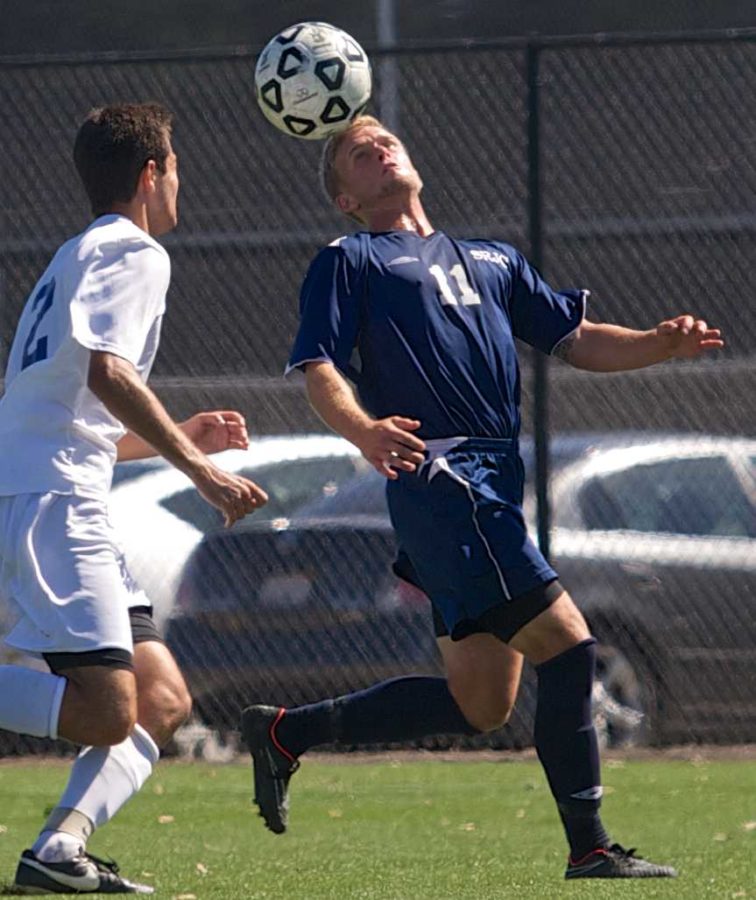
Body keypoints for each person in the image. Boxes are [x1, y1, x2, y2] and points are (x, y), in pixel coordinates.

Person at [240, 114, 726, 880]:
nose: (375, 145)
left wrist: (656, 344)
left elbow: (577, 338)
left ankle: (285, 734)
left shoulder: (492, 257)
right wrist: (363, 430)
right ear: (345, 199)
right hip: (443, 478)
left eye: (383, 136)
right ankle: (591, 847)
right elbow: (319, 370)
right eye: (353, 153)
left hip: (490, 480)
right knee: (571, 646)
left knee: (482, 706)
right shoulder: (350, 259)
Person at [0, 103, 268, 894]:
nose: (180, 180)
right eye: (176, 165)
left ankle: (58, 849)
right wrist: (201, 470)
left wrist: (177, 433)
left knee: (159, 698)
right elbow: (107, 374)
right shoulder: (135, 251)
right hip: (56, 502)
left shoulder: (71, 256)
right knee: (106, 711)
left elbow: (62, 411)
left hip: (55, 487)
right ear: (151, 175)